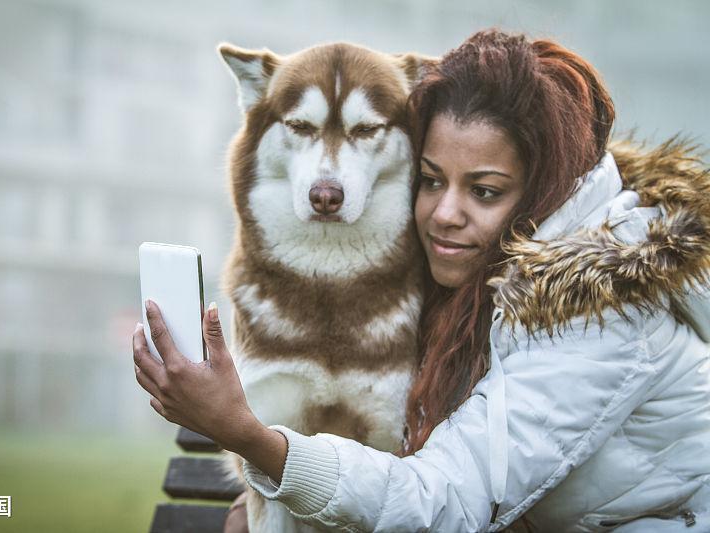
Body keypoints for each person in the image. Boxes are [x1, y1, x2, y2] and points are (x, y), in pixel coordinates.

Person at [132, 30, 710, 531]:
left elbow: (450, 500)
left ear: (544, 190)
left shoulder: (602, 311)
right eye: (431, 180)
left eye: (484, 191)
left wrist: (253, 438)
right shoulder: (472, 272)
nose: (445, 214)